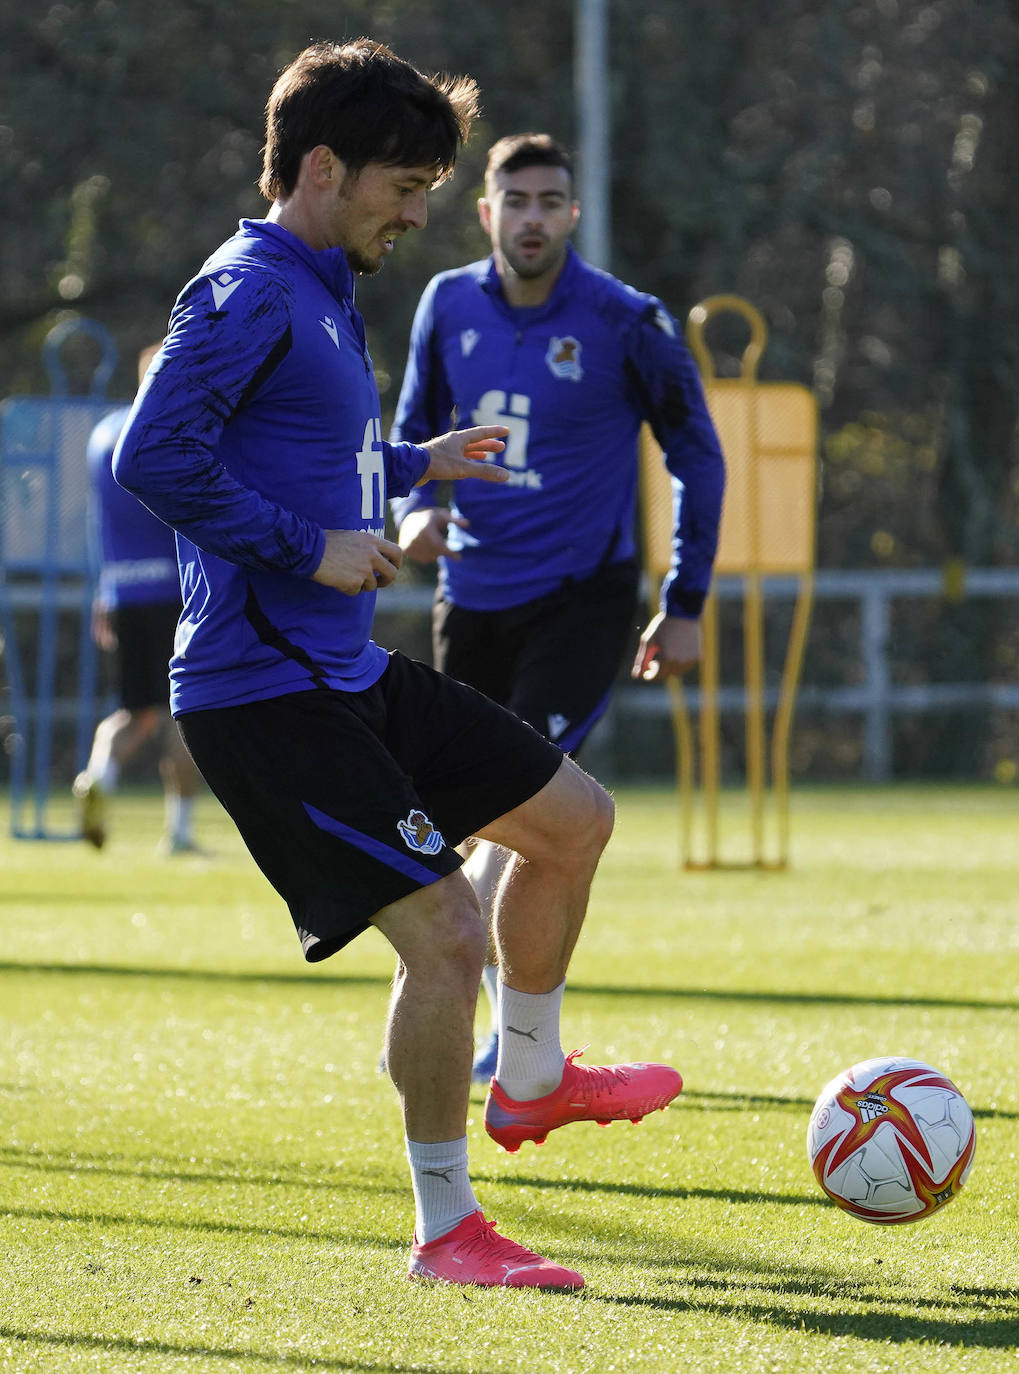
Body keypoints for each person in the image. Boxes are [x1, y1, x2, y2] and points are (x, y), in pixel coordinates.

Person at [113, 39, 683, 1292]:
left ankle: (528, 1076)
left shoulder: (321, 285)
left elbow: (299, 457)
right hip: (263, 694)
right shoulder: (248, 289)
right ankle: (445, 1232)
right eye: (405, 185)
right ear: (323, 166)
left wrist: (415, 463)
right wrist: (304, 550)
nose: (420, 213)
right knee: (446, 935)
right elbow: (152, 458)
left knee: (573, 820)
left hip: (343, 669)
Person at [390, 132, 726, 1081]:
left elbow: (696, 455)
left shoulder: (626, 320)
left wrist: (686, 596)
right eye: (516, 200)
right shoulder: (445, 302)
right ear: (487, 212)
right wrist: (420, 508)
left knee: (526, 800)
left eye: (551, 201)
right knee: (470, 817)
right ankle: (485, 1023)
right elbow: (415, 430)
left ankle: (516, 1041)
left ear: (571, 215)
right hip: (472, 597)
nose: (532, 217)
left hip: (581, 600)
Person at [73, 343, 200, 854]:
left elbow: (97, 523)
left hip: (123, 588)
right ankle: (180, 831)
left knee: (133, 710)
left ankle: (99, 777)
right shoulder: (171, 431)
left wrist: (103, 591)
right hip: (173, 590)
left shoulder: (103, 434)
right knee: (186, 710)